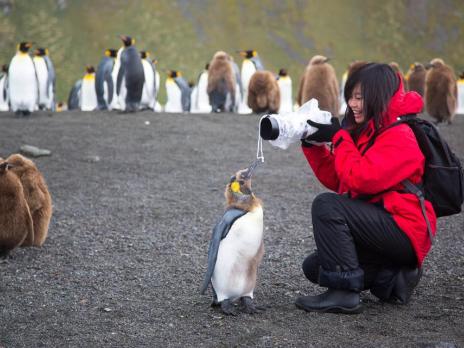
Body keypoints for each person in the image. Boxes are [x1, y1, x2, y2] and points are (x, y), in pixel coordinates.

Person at [295, 63, 436, 314]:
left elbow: (361, 179)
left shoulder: (400, 135)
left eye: (359, 97)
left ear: (378, 96)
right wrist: (312, 145)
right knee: (315, 266)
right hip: (383, 223)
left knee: (326, 205)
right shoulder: (370, 129)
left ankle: (344, 294)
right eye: (350, 96)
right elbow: (342, 181)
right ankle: (392, 277)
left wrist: (339, 138)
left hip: (405, 227)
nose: (352, 104)